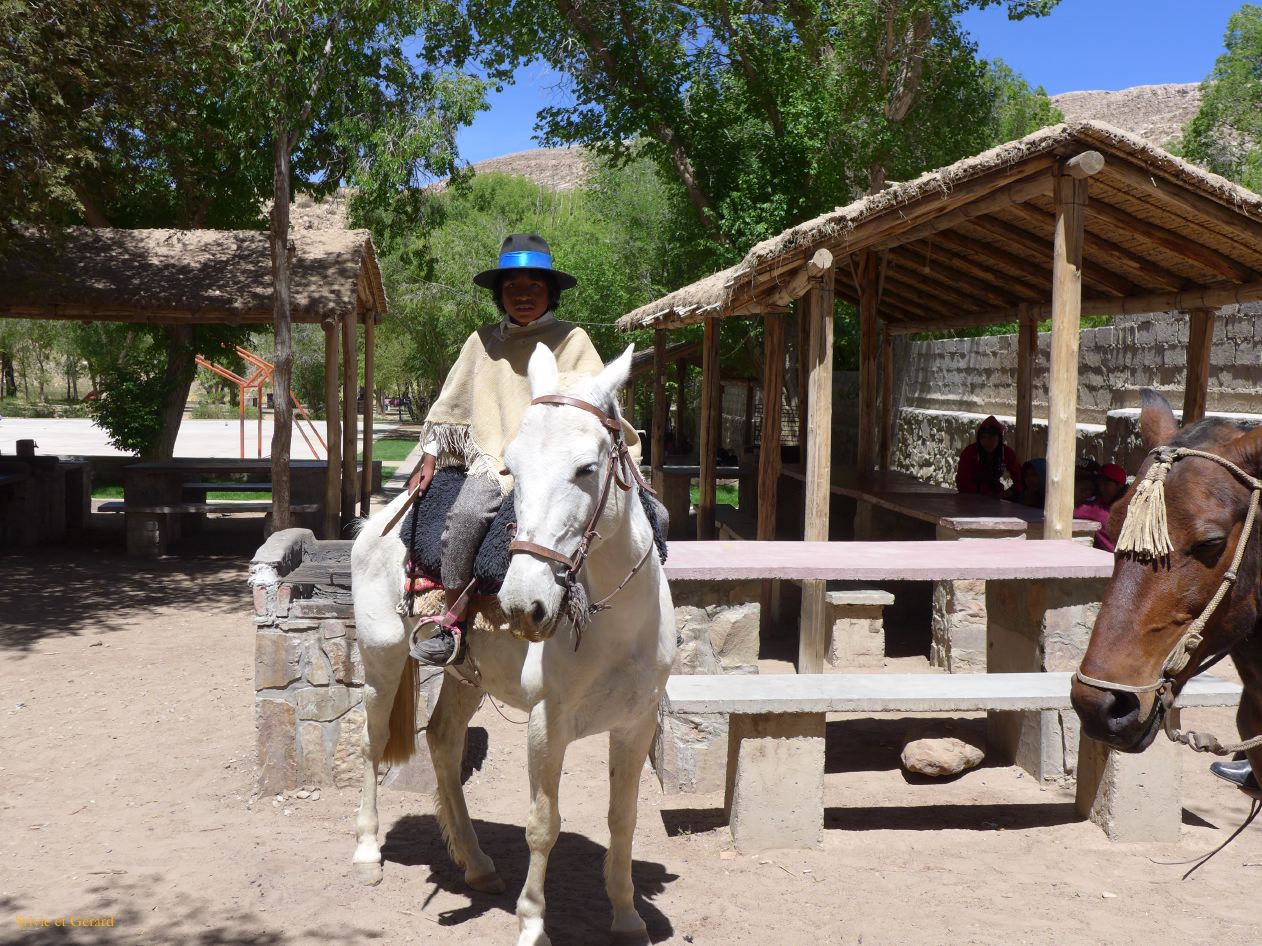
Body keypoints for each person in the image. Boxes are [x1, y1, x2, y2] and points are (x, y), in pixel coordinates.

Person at [403, 234, 612, 666]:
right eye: (513, 288)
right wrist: (429, 458)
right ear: (500, 295)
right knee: (463, 518)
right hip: (495, 459)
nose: (523, 296)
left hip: (557, 462)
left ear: (550, 292)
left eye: (534, 287)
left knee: (637, 517)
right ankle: (453, 618)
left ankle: (623, 619)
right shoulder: (482, 343)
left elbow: (596, 402)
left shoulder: (573, 340)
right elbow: (450, 407)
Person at [955, 416, 1019, 496]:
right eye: (983, 437)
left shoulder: (1006, 453)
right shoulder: (970, 453)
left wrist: (1011, 492)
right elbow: (962, 483)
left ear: (999, 438)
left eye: (991, 437)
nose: (987, 442)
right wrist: (984, 490)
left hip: (995, 491)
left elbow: (1019, 476)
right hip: (972, 495)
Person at [1073, 462, 1126, 553]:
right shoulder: (1100, 502)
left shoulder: (1105, 512)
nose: (1101, 488)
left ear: (1119, 485)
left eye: (1106, 484)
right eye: (1099, 484)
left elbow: (1076, 511)